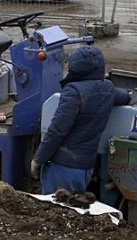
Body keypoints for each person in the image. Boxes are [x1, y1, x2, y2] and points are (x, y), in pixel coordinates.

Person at [30, 46, 131, 195]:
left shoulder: (73, 91)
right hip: (85, 169)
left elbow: (57, 130)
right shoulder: (108, 88)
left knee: (55, 210)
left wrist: (38, 159)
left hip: (62, 166)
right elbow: (126, 97)